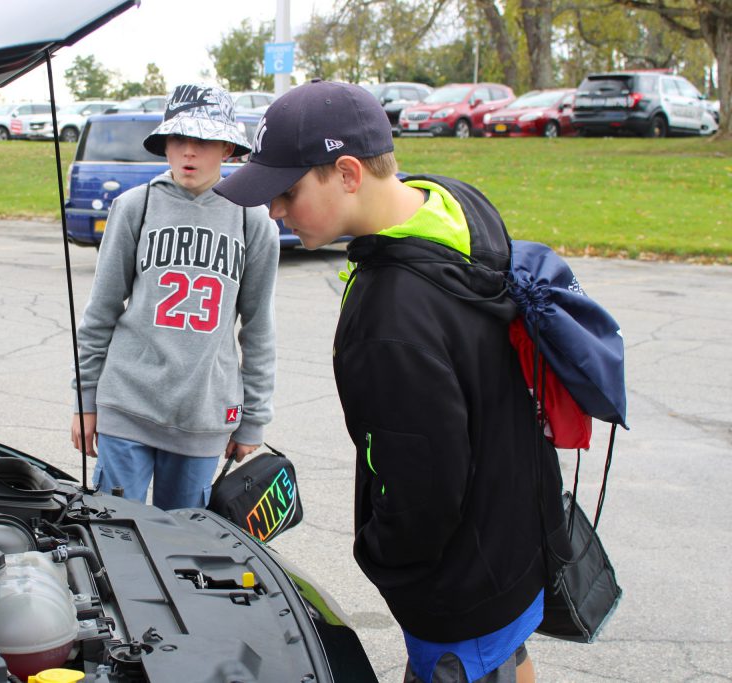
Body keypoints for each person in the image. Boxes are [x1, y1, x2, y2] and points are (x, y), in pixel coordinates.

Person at [214, 80, 568, 683]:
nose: (274, 211)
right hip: (514, 534)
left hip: (456, 586)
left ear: (347, 173)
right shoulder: (453, 210)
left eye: (287, 191)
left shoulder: (390, 317)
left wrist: (385, 560)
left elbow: (421, 486)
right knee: (506, 660)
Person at [70, 84, 280, 512]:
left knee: (184, 547)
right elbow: (101, 312)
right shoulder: (135, 207)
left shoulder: (253, 220)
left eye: (202, 141)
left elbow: (258, 329)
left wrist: (253, 419)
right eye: (179, 139)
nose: (188, 152)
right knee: (117, 536)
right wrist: (85, 399)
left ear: (226, 146)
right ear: (164, 144)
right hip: (127, 404)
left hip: (203, 414)